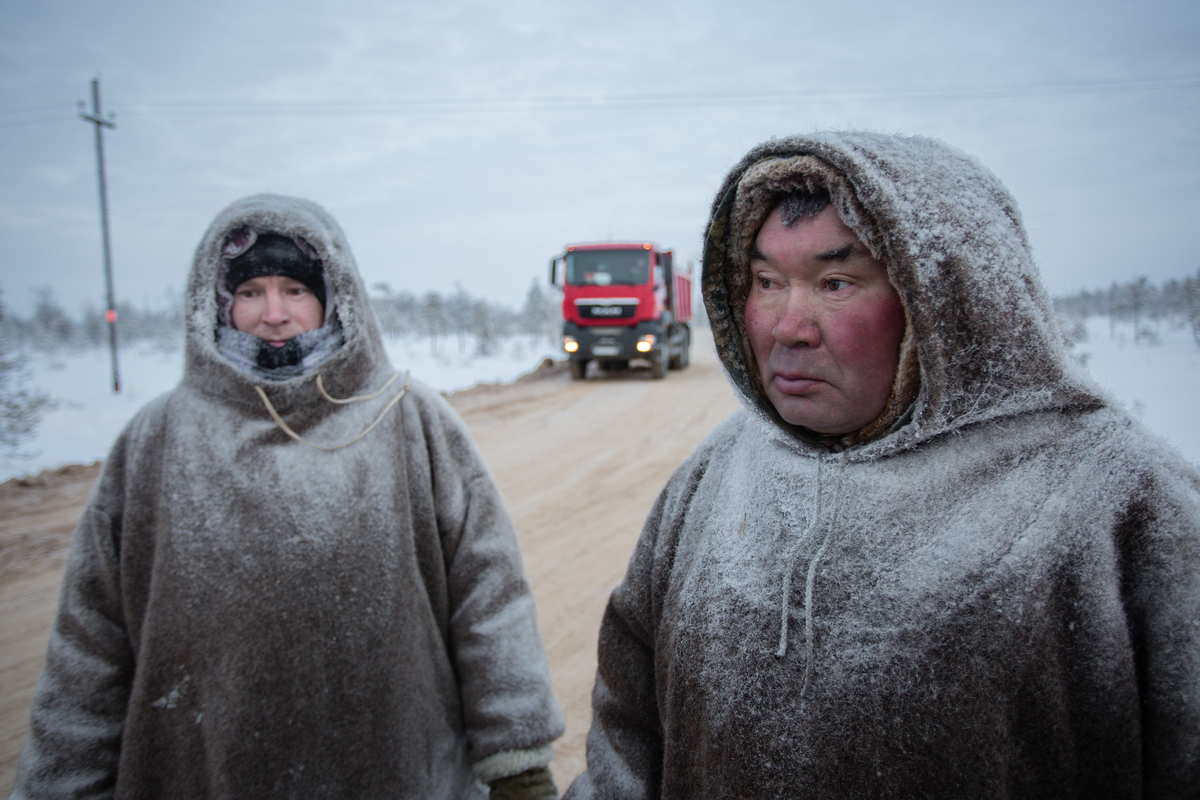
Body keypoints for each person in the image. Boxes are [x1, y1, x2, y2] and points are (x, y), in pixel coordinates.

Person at [564, 132, 1200, 798]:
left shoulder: (1124, 503)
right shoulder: (717, 473)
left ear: (947, 302)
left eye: (835, 282)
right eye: (766, 282)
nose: (787, 325)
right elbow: (625, 739)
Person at [11, 194, 563, 800]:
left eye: (295, 291)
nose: (273, 314)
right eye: (250, 293)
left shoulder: (410, 421)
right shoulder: (156, 439)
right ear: (218, 303)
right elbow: (88, 643)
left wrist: (519, 765)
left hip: (399, 771)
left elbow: (490, 602)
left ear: (333, 297)